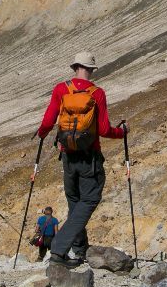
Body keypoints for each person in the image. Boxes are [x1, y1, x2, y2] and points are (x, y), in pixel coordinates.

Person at [35, 51, 128, 267]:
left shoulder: (61, 89)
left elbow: (49, 120)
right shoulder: (97, 93)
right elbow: (104, 130)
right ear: (92, 69)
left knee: (74, 201)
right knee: (90, 199)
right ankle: (59, 249)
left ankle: (79, 250)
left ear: (75, 67)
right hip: (90, 157)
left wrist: (41, 134)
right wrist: (122, 132)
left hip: (68, 155)